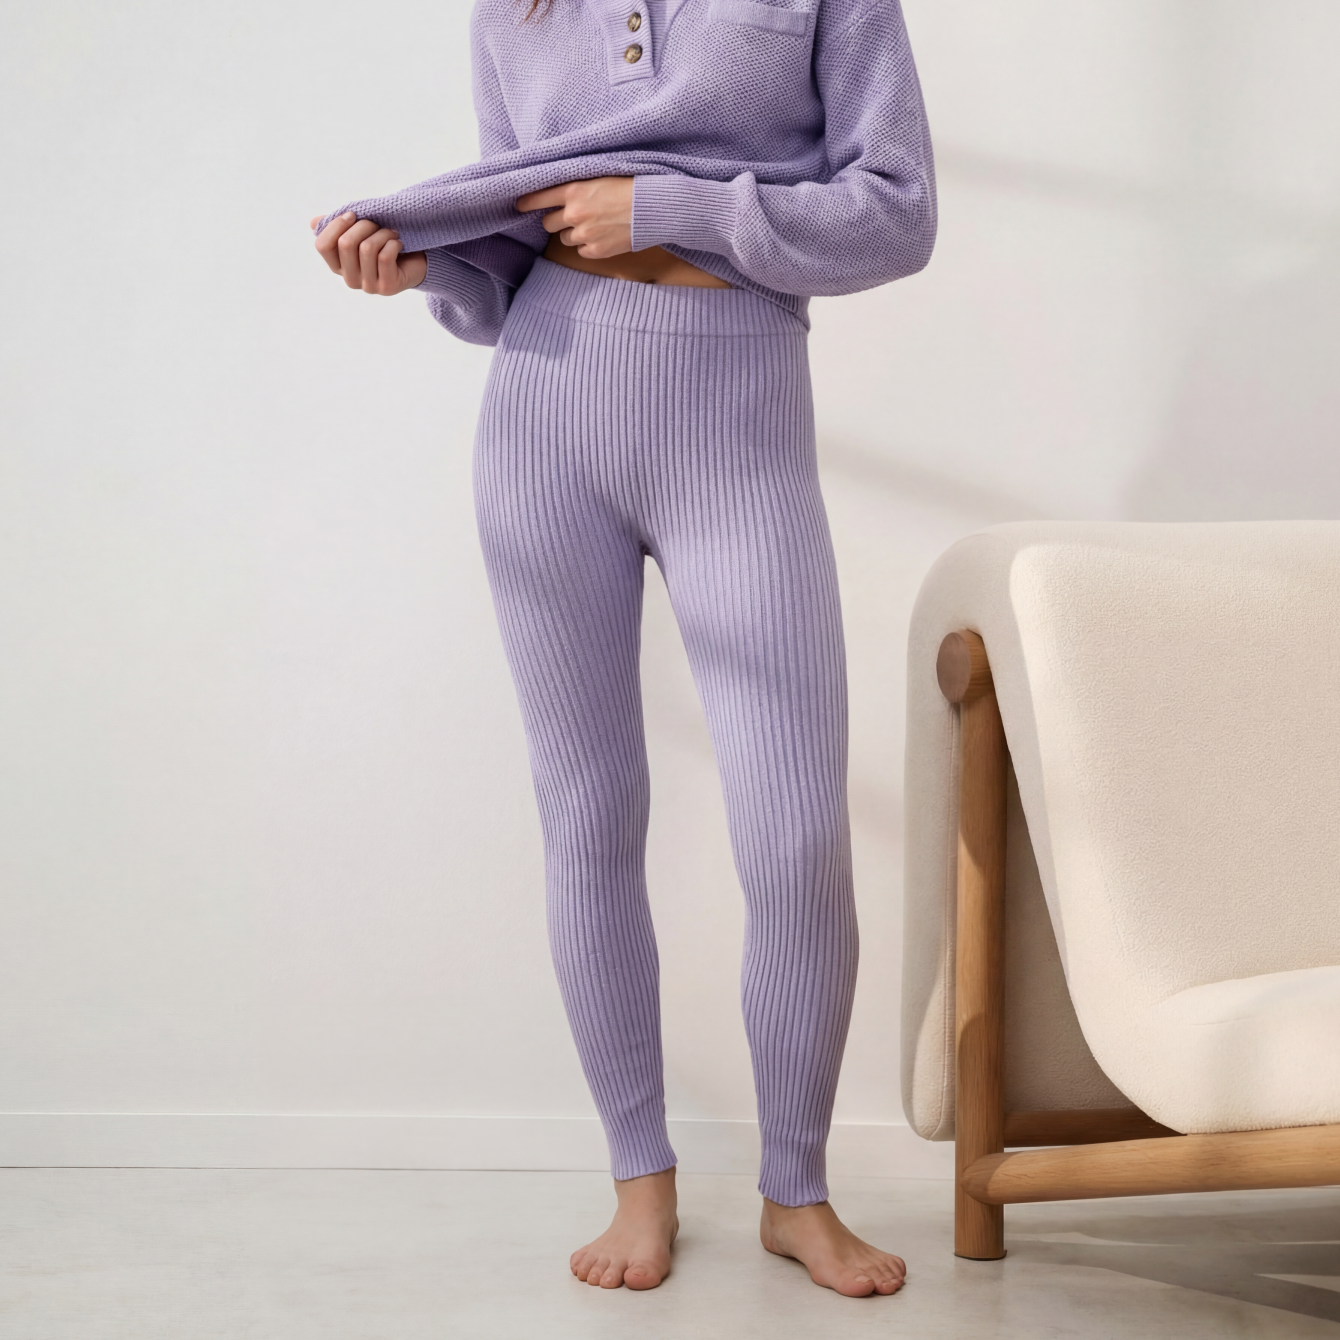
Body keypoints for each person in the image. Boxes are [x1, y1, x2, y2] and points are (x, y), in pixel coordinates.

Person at [311, 0, 935, 1298]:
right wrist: (422, 270)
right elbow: (507, 254)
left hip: (738, 427)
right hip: (545, 418)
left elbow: (896, 212)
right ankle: (637, 1178)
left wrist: (670, 207)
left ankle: (798, 1191)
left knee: (796, 832)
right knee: (588, 818)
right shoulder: (513, 11)